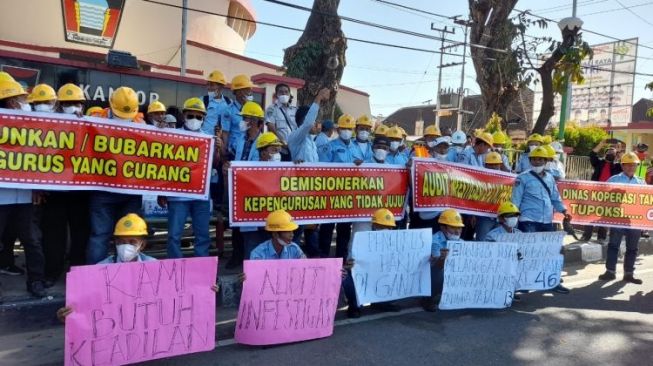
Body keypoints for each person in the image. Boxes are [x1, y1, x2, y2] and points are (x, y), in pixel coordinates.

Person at [56, 213, 219, 322]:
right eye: (121, 241)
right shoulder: (100, 269)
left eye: (132, 242)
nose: (125, 246)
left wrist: (204, 291)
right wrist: (70, 314)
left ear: (142, 244)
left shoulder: (155, 267)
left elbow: (176, 295)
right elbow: (87, 303)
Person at [38, 84, 91, 285]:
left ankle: (77, 274)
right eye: (67, 103)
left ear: (83, 106)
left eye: (76, 103)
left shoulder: (91, 126)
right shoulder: (46, 125)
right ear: (59, 106)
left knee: (80, 234)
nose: (72, 107)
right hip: (55, 191)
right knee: (53, 235)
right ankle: (52, 272)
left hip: (80, 192)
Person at [0, 79, 47, 297]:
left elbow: (39, 157)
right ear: (10, 101)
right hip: (3, 196)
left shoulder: (30, 124)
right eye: (19, 98)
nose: (23, 102)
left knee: (32, 240)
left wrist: (37, 187)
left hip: (25, 196)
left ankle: (36, 280)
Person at [87, 87, 143, 264]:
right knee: (100, 236)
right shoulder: (94, 120)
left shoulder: (140, 124)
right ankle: (94, 280)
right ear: (110, 105)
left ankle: (126, 280)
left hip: (130, 193)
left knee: (130, 237)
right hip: (103, 191)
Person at [512, 146, 571, 294]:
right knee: (528, 253)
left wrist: (564, 211)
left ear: (546, 161)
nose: (536, 161)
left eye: (540, 159)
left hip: (547, 220)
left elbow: (555, 198)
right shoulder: (522, 178)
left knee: (551, 252)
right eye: (534, 159)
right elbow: (515, 200)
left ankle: (553, 281)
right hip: (528, 220)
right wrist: (513, 219)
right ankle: (525, 282)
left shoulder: (550, 177)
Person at [160, 98, 212, 259]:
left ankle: (201, 273)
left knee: (203, 236)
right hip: (177, 196)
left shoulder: (209, 139)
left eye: (199, 117)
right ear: (184, 115)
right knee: (174, 236)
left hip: (201, 196)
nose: (194, 120)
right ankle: (174, 269)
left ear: (204, 118)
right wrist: (160, 191)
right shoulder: (172, 135)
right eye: (191, 116)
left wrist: (219, 150)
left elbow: (214, 166)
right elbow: (162, 163)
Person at [342, 208, 401, 318]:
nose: (385, 230)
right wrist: (349, 266)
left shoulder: (393, 239)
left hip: (380, 273)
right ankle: (354, 306)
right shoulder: (360, 237)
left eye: (388, 227)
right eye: (381, 226)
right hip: (364, 274)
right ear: (374, 225)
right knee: (347, 277)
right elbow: (351, 264)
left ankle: (382, 302)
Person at [598, 152, 645, 284]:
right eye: (628, 165)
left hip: (634, 221)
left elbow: (647, 202)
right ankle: (610, 272)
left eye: (633, 165)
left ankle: (629, 273)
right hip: (617, 219)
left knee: (633, 248)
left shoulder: (641, 182)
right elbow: (602, 197)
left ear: (636, 166)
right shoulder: (613, 180)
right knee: (613, 245)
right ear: (622, 166)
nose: (631, 167)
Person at [318, 114, 361, 258]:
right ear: (338, 129)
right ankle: (323, 262)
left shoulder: (356, 149)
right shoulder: (329, 147)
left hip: (348, 198)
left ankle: (341, 264)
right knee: (326, 230)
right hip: (331, 196)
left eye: (349, 128)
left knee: (344, 232)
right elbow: (323, 170)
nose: (347, 131)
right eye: (344, 128)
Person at [241, 132, 284, 259]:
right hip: (254, 225)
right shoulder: (247, 170)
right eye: (274, 150)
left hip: (273, 223)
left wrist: (298, 167)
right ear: (263, 152)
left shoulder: (284, 170)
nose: (277, 153)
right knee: (252, 257)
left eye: (278, 150)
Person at [422, 209, 465, 312]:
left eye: (459, 227)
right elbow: (438, 266)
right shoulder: (435, 240)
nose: (457, 231)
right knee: (438, 272)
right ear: (442, 227)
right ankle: (428, 299)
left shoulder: (462, 242)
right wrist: (442, 258)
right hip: (433, 273)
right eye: (453, 227)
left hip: (451, 270)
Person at [582, 140, 622, 242]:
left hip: (609, 195)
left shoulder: (617, 166)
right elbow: (592, 154)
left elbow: (624, 162)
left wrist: (619, 151)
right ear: (605, 154)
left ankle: (601, 237)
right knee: (590, 214)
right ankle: (586, 236)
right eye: (609, 153)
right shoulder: (599, 163)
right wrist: (601, 144)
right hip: (595, 193)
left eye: (613, 153)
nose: (611, 154)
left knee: (604, 216)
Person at [287, 88, 330, 163]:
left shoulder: (312, 141)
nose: (315, 123)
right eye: (314, 120)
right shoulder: (295, 137)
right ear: (304, 120)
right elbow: (308, 123)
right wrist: (318, 97)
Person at [222, 74, 255, 157]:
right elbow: (225, 133)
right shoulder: (228, 110)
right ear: (239, 92)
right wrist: (225, 152)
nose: (250, 93)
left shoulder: (254, 109)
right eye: (248, 90)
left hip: (250, 149)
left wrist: (248, 105)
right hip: (234, 151)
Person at [202, 69, 230, 136]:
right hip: (204, 141)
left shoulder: (229, 103)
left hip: (221, 143)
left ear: (221, 86)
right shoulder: (202, 101)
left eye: (211, 85)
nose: (208, 87)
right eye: (207, 84)